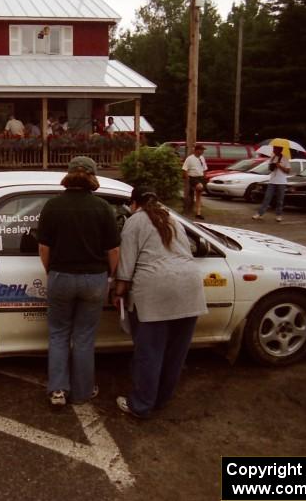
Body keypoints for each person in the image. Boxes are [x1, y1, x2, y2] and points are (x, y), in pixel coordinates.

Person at [113, 186, 207, 418]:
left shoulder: (134, 221)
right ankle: (161, 399)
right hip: (190, 289)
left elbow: (126, 265)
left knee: (149, 353)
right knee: (175, 354)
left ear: (134, 204)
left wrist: (118, 291)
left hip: (156, 291)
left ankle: (141, 405)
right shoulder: (172, 220)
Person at [36, 156, 120, 408]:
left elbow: (43, 247)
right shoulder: (103, 207)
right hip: (94, 280)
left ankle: (58, 391)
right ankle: (83, 392)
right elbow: (113, 250)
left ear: (69, 175)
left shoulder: (52, 206)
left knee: (59, 334)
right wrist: (111, 276)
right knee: (84, 337)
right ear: (92, 177)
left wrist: (52, 272)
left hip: (61, 277)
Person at [252, 145, 291, 222]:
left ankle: (278, 215)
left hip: (281, 182)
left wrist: (279, 166)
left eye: (275, 149)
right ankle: (260, 214)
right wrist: (272, 166)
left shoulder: (285, 158)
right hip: (272, 181)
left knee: (280, 200)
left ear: (280, 149)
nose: (274, 150)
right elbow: (270, 169)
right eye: (273, 149)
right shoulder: (272, 157)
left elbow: (288, 171)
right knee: (267, 198)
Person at [182, 143, 208, 220]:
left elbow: (204, 168)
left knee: (199, 195)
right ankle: (193, 188)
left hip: (200, 177)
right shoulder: (189, 158)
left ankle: (198, 213)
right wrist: (187, 179)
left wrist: (204, 176)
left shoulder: (202, 158)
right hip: (193, 177)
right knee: (199, 187)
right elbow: (184, 169)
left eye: (203, 150)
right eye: (201, 150)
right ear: (196, 150)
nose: (202, 151)